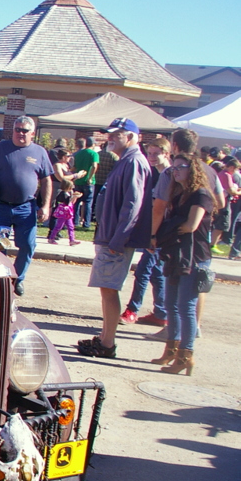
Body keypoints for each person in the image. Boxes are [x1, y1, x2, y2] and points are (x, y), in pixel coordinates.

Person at [78, 118, 151, 358]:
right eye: (109, 134)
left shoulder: (134, 162)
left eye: (116, 134)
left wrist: (118, 240)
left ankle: (107, 344)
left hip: (116, 241)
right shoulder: (125, 161)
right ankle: (104, 338)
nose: (110, 138)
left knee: (109, 289)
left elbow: (133, 205)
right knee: (106, 289)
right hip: (110, 237)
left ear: (130, 137)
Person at [147, 128, 227, 341]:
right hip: (202, 238)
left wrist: (153, 235)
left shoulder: (172, 171)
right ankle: (193, 328)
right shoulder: (209, 171)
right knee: (194, 288)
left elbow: (159, 206)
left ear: (174, 146)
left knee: (180, 294)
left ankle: (178, 336)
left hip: (183, 242)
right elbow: (221, 202)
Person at [150, 153, 214, 375]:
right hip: (176, 254)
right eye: (173, 167)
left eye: (180, 167)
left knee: (186, 306)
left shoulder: (201, 195)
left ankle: (186, 355)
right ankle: (171, 349)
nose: (175, 171)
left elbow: (191, 225)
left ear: (193, 169)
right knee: (170, 304)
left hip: (195, 258)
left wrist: (166, 230)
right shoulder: (180, 194)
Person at [0, 116, 55, 297]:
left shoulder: (40, 152)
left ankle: (18, 279)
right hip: (1, 207)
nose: (20, 133)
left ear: (32, 133)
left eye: (25, 130)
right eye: (17, 129)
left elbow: (46, 180)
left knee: (27, 246)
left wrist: (46, 206)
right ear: (12, 131)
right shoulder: (0, 149)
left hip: (26, 208)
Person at [120, 137, 172, 326]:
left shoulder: (168, 174)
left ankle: (132, 309)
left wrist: (152, 235)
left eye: (156, 154)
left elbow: (161, 208)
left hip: (160, 232)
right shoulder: (155, 173)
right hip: (153, 229)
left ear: (166, 153)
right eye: (149, 153)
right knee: (156, 272)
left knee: (143, 270)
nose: (151, 157)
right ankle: (161, 312)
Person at [47, 149, 85, 240]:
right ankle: (52, 231)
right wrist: (76, 175)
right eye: (68, 156)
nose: (69, 158)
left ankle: (58, 231)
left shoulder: (67, 166)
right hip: (58, 190)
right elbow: (62, 178)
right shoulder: (57, 165)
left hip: (67, 190)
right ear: (63, 156)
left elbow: (69, 179)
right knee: (57, 210)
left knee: (65, 212)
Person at [211, 157, 240, 253]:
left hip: (221, 201)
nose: (235, 171)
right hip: (224, 202)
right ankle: (212, 245)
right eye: (236, 169)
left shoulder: (222, 173)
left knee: (221, 224)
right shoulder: (226, 175)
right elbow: (231, 191)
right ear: (231, 167)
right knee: (222, 224)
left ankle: (213, 243)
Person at [72, 137, 99, 228]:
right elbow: (94, 166)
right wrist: (90, 177)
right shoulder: (94, 154)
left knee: (76, 202)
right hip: (88, 182)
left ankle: (75, 221)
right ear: (93, 144)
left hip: (78, 180)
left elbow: (74, 167)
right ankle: (86, 223)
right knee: (88, 203)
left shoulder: (78, 154)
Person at [47, 177, 81, 245]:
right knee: (59, 226)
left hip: (68, 213)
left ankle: (72, 240)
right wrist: (74, 197)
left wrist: (74, 197)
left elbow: (71, 203)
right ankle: (51, 238)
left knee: (71, 226)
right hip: (63, 213)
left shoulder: (68, 194)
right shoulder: (63, 194)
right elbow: (67, 203)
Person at [93, 144, 119, 222]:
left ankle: (94, 214)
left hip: (97, 179)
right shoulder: (114, 156)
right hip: (106, 180)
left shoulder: (98, 154)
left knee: (95, 199)